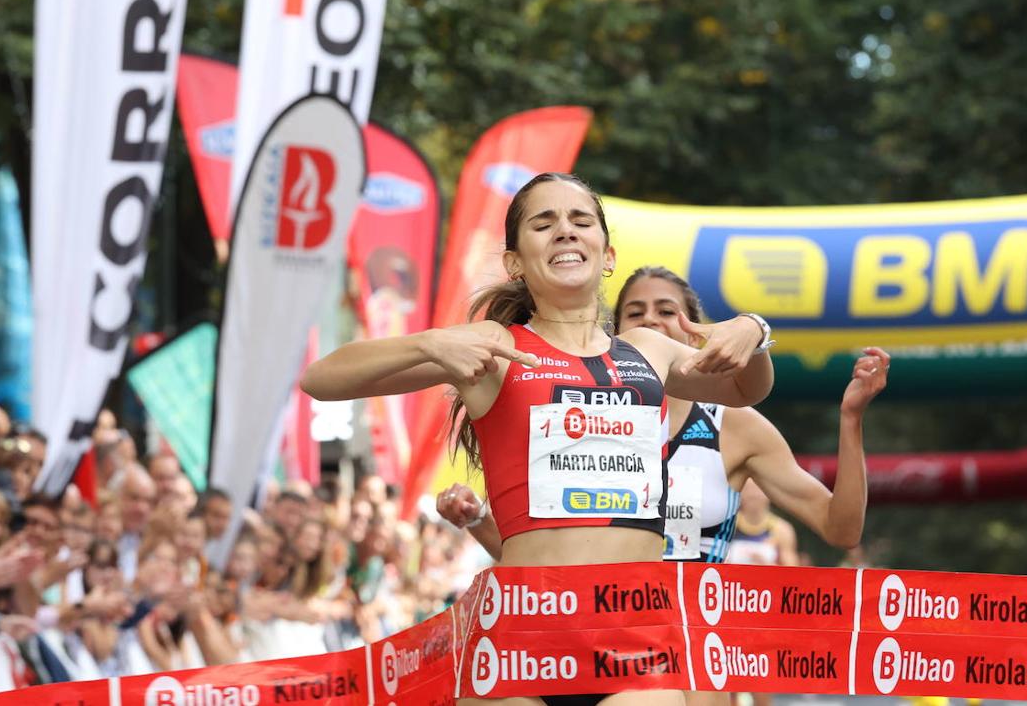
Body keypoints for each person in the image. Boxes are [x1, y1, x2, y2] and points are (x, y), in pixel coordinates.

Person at [303, 173, 775, 706]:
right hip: (522, 639)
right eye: (543, 224)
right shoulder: (496, 346)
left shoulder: (649, 349)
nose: (565, 233)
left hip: (635, 636)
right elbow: (321, 379)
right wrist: (431, 345)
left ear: (608, 253)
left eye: (580, 222)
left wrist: (754, 333)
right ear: (515, 263)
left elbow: (743, 389)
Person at [440, 264, 888, 706]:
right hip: (588, 637)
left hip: (693, 644)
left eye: (666, 310)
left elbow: (841, 529)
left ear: (695, 331)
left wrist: (852, 422)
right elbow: (546, 554)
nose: (651, 321)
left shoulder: (736, 426)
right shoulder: (582, 424)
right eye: (636, 313)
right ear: (618, 335)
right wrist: (479, 519)